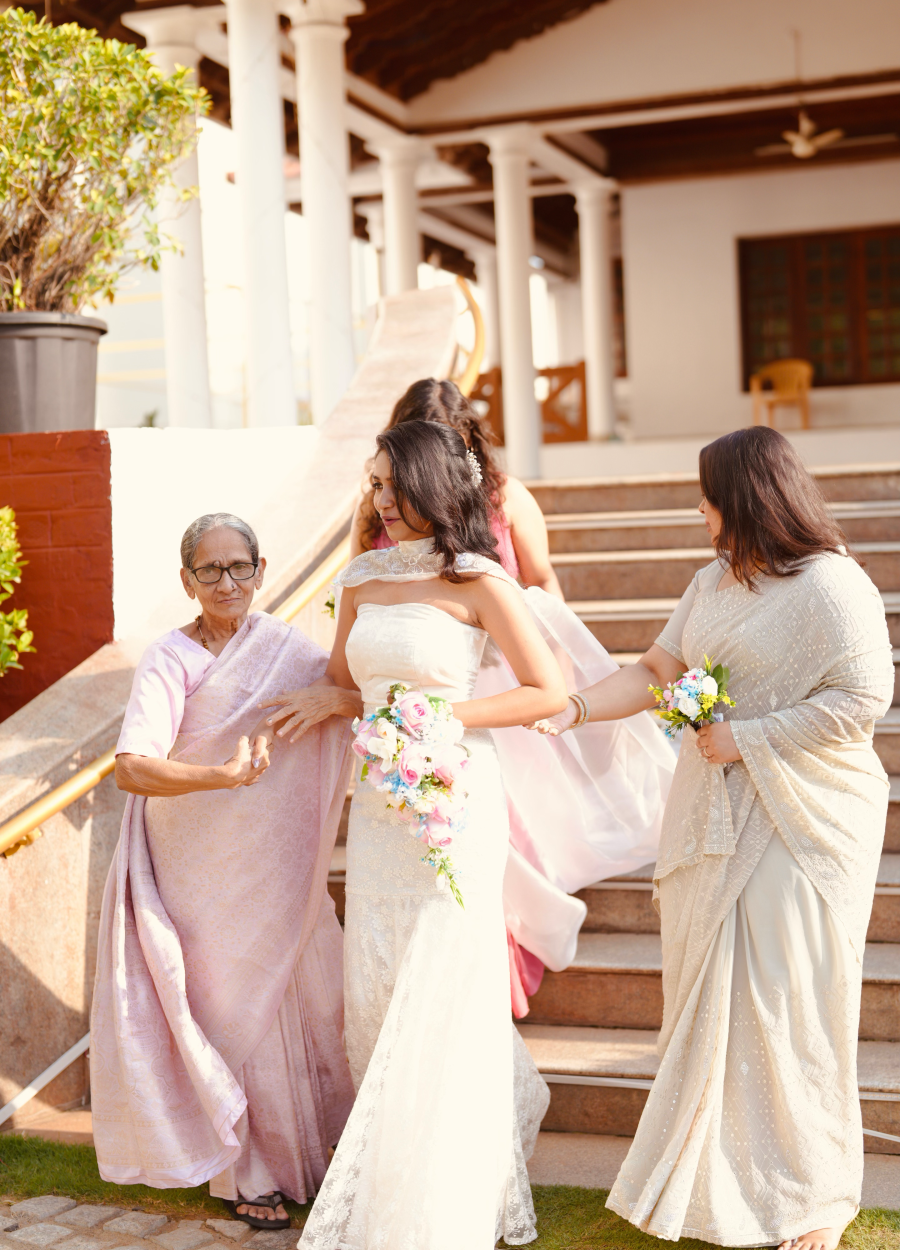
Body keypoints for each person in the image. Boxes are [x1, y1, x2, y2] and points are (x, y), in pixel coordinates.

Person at [533, 427, 893, 1250]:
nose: (699, 510)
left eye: (708, 495)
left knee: (784, 1004)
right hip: (710, 814)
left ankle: (814, 1198)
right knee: (717, 1002)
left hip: (800, 820)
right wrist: (575, 708)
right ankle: (725, 1181)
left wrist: (750, 737)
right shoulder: (713, 581)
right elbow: (658, 670)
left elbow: (863, 700)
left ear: (749, 496)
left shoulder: (833, 585)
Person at [90, 514, 361, 1228]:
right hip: (199, 871)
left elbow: (349, 702)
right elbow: (131, 769)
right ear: (187, 581)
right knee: (233, 1012)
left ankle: (329, 1150)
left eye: (239, 567)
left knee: (310, 999)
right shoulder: (170, 659)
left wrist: (338, 703)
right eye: (210, 571)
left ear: (262, 569)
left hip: (278, 867)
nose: (227, 582)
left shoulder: (287, 651)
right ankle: (254, 1172)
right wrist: (220, 775)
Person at [350, 377, 564, 599]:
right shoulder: (375, 508)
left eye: (445, 448)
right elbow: (354, 587)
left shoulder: (507, 496)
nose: (434, 468)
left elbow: (541, 581)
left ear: (466, 441)